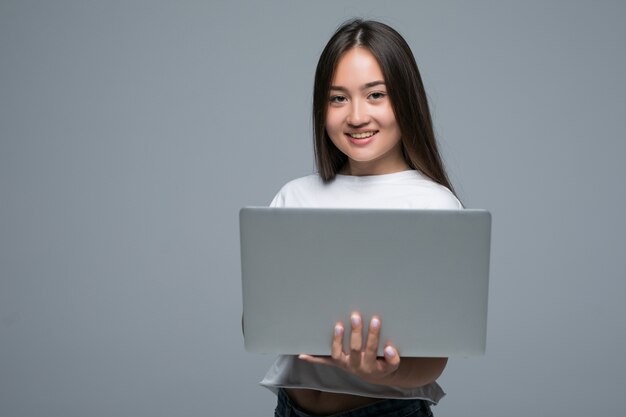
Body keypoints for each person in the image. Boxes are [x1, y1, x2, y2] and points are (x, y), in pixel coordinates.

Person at [262, 19, 462, 417]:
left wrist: (383, 371)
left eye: (375, 95)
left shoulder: (434, 206)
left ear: (405, 100)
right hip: (291, 408)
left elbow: (435, 361)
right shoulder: (294, 195)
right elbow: (259, 325)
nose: (356, 116)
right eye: (338, 98)